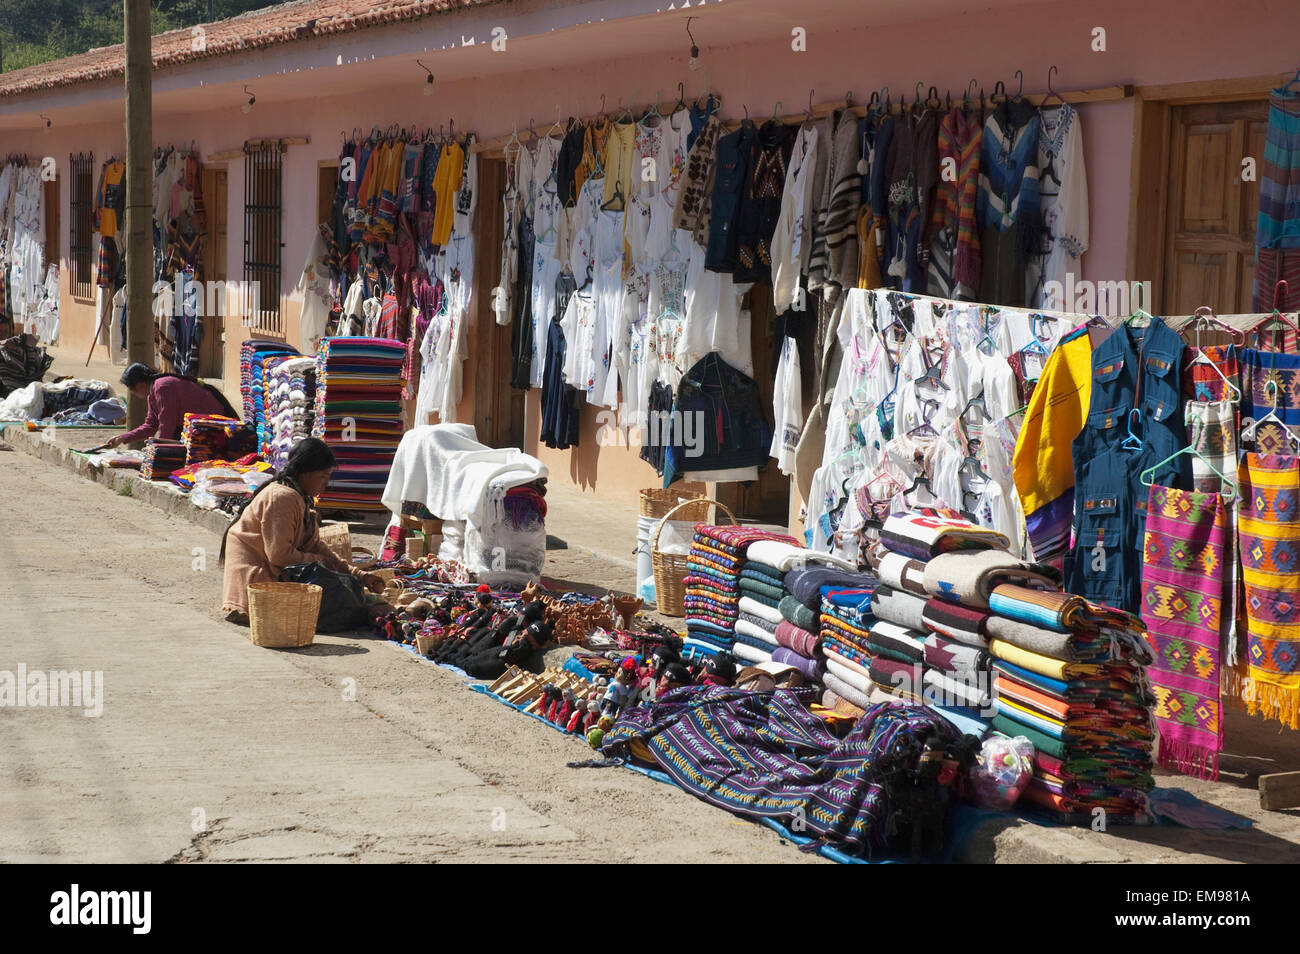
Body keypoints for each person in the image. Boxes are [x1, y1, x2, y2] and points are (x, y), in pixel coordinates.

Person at [219, 437, 385, 624]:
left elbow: (315, 546)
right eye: (323, 476)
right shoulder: (281, 498)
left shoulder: (300, 497)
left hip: (273, 569)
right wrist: (318, 562)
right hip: (257, 577)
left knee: (348, 593)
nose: (326, 484)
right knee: (341, 605)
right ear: (304, 473)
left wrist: (359, 575)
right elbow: (279, 556)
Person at [103, 363, 239, 447]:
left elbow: (167, 423)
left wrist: (157, 448)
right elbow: (150, 426)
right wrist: (122, 438)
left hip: (216, 423)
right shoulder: (152, 395)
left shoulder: (163, 387)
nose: (133, 394)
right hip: (196, 425)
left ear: (140, 385)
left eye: (132, 390)